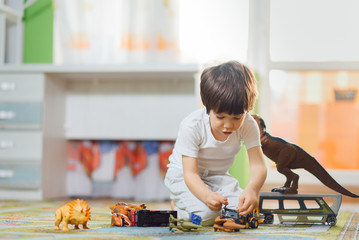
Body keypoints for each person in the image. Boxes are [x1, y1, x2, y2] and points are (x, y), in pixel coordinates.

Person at [164, 60, 267, 226]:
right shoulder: (192, 126)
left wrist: (252, 190)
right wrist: (206, 196)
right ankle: (178, 207)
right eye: (220, 117)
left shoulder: (248, 124)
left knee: (242, 211)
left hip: (217, 177)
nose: (228, 125)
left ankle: (195, 205)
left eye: (236, 118)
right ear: (208, 107)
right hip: (183, 176)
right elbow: (190, 174)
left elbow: (258, 166)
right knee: (207, 216)